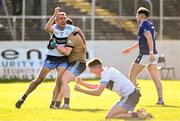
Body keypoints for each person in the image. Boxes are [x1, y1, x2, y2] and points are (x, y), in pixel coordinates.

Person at [15, 7, 74, 109]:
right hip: (51, 58)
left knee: (59, 82)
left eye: (64, 18)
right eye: (61, 18)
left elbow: (78, 32)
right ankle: (23, 97)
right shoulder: (54, 28)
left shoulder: (70, 28)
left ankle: (52, 104)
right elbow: (46, 28)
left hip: (63, 59)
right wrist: (54, 15)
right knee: (39, 79)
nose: (64, 20)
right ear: (56, 20)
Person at [74, 58, 153, 119]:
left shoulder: (106, 74)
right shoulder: (107, 72)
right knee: (120, 116)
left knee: (109, 117)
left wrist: (81, 90)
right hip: (132, 95)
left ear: (96, 68)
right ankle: (140, 114)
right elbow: (98, 87)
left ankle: (141, 115)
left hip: (130, 96)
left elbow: (98, 92)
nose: (91, 72)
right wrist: (82, 83)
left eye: (91, 70)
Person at [122, 7, 164, 105]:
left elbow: (149, 38)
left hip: (146, 55)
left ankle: (133, 98)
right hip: (153, 54)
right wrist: (130, 49)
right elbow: (143, 41)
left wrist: (150, 52)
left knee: (132, 75)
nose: (136, 17)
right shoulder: (149, 24)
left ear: (140, 16)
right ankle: (160, 99)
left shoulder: (143, 24)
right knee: (156, 78)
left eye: (137, 15)